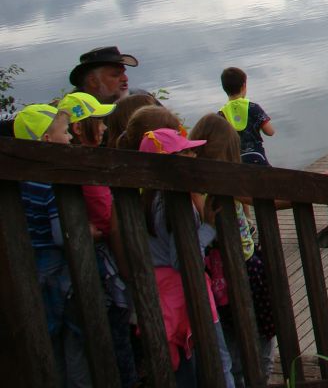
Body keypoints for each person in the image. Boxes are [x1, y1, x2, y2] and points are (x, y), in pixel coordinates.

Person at [138, 127, 235, 387]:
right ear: (169, 163)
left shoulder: (149, 199)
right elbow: (182, 260)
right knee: (219, 358)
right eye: (186, 152)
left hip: (163, 293)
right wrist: (208, 227)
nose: (194, 156)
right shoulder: (172, 204)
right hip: (185, 290)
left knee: (183, 365)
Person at [58, 91, 139, 388]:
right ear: (78, 128)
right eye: (98, 122)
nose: (105, 128)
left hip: (95, 272)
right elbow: (109, 222)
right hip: (106, 276)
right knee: (117, 346)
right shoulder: (87, 172)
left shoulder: (85, 164)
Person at [190, 113, 277, 385]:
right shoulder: (224, 186)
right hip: (245, 269)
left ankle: (240, 378)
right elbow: (267, 199)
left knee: (231, 337)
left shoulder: (192, 184)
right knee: (261, 333)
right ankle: (258, 377)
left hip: (215, 276)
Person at [15, 103, 93, 386]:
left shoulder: (21, 181)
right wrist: (89, 231)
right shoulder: (51, 184)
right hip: (59, 272)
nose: (71, 138)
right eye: (65, 133)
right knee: (76, 339)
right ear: (47, 141)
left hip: (33, 267)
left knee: (50, 340)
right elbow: (63, 235)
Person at [218, 68, 275, 166]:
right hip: (257, 159)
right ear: (244, 86)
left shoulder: (221, 114)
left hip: (235, 162)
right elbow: (270, 132)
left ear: (224, 88)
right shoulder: (253, 107)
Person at [68, 46, 139, 103]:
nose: (125, 79)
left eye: (123, 72)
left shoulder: (140, 100)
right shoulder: (70, 113)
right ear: (93, 81)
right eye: (115, 75)